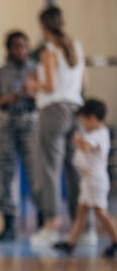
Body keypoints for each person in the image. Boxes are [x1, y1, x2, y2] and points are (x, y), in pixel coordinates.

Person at [25, 6, 85, 246]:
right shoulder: (76, 48)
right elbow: (84, 82)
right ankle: (84, 228)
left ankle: (51, 225)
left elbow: (49, 85)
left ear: (43, 26)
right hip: (75, 109)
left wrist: (33, 84)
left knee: (49, 168)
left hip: (53, 111)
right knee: (75, 168)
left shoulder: (49, 51)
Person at [0, 31, 38, 241]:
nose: (21, 50)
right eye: (17, 46)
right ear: (9, 49)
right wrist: (7, 98)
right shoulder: (0, 73)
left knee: (37, 173)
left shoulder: (37, 70)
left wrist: (33, 93)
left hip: (30, 122)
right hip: (7, 123)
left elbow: (48, 95)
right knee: (5, 173)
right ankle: (8, 225)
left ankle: (44, 222)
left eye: (24, 46)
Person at [53, 99, 117, 257]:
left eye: (83, 121)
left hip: (96, 181)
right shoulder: (92, 133)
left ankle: (116, 240)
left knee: (101, 213)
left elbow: (86, 146)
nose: (82, 125)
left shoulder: (99, 134)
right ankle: (71, 242)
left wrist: (76, 140)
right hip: (87, 181)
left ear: (92, 119)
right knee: (81, 211)